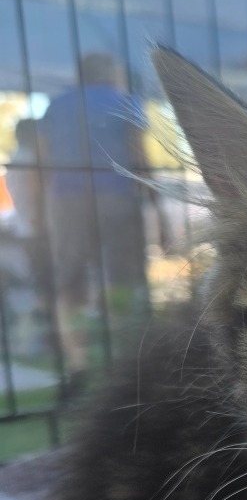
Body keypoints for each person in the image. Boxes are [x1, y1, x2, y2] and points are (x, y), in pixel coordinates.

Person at [37, 53, 151, 381]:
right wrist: (153, 199)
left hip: (66, 198)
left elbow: (44, 161)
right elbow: (138, 153)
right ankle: (124, 355)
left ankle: (77, 361)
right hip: (117, 195)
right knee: (122, 277)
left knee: (70, 278)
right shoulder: (126, 101)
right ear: (112, 73)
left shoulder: (55, 106)